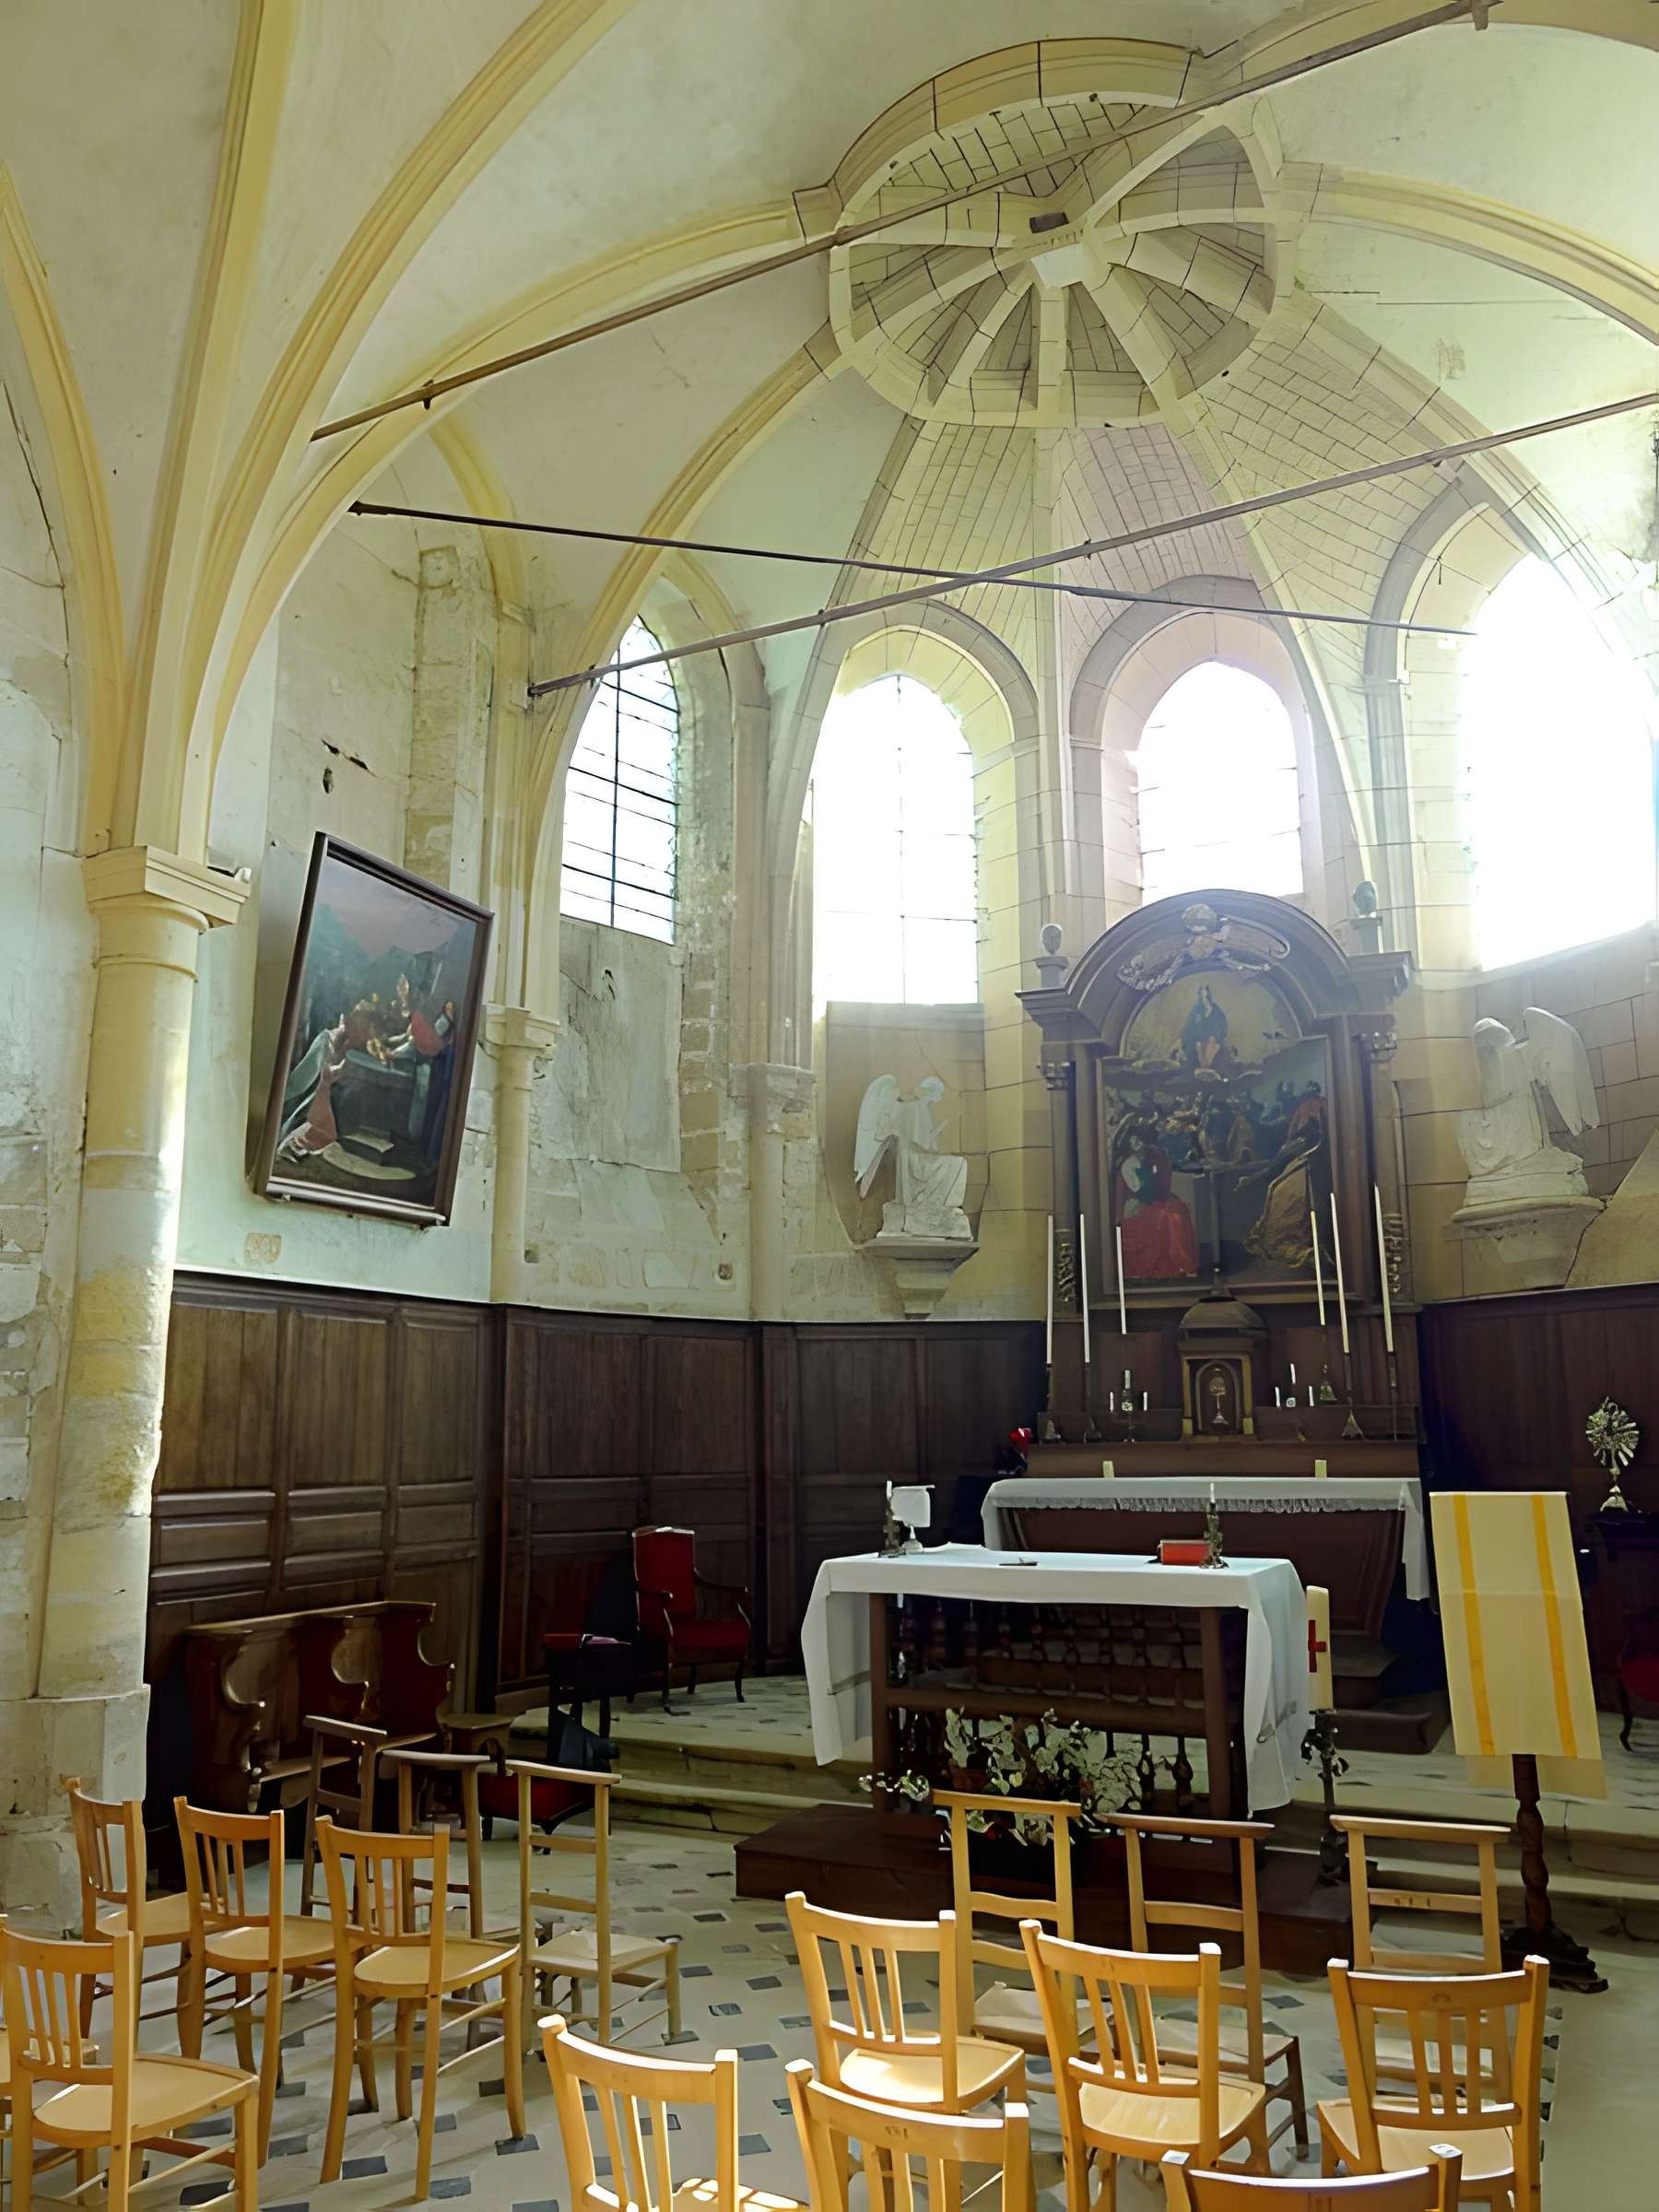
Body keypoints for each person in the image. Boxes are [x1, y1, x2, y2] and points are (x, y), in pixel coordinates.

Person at [1116, 1132, 1199, 1279]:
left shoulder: (1153, 1157)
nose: (1138, 1144)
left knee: (1179, 1212)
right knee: (1165, 1218)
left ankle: (1181, 1263)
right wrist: (1151, 1186)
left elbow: (1160, 1180)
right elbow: (1139, 1190)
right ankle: (1164, 1264)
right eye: (1133, 1142)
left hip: (1157, 1199)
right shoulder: (1128, 1164)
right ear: (1128, 1146)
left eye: (1139, 1139)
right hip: (1140, 1202)